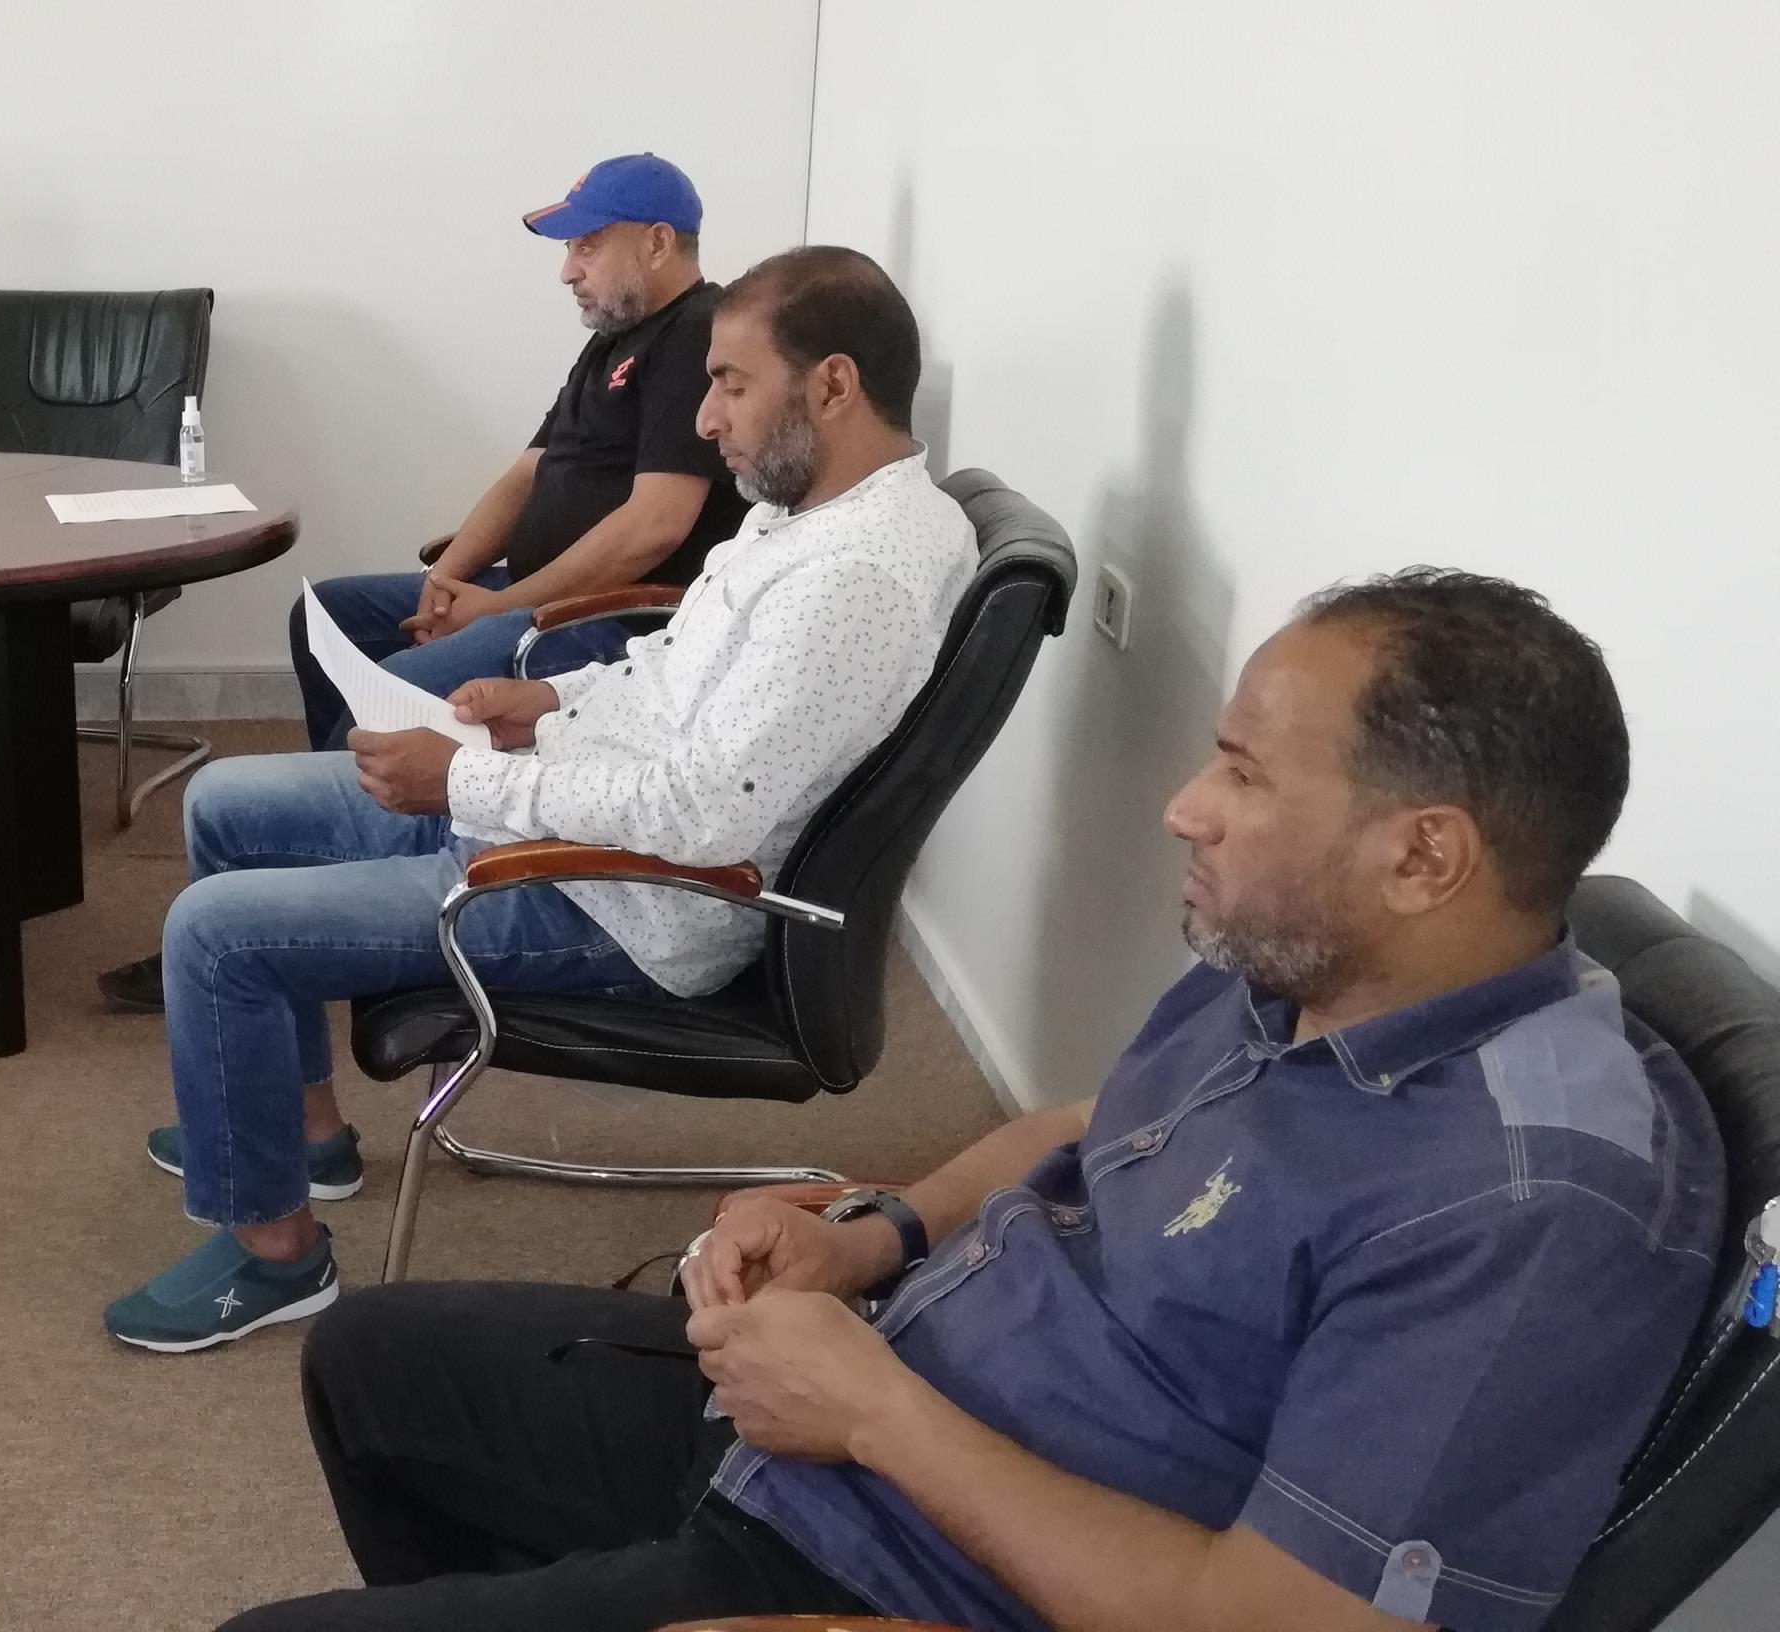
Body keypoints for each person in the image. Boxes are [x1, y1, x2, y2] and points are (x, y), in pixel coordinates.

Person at [235, 570, 1723, 1632]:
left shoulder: (1531, 1205)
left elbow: (1288, 1620)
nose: (1184, 807)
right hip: (878, 1403)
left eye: (1244, 776)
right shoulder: (1317, 969)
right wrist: (871, 1237)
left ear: (1424, 857)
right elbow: (1086, 1128)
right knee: (370, 1362)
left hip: (919, 1572)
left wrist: (872, 1414)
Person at [102, 248, 972, 1353]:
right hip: (577, 809)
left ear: (834, 384)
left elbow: (703, 816)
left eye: (732, 385)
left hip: (625, 898)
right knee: (226, 804)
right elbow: (670, 672)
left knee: (215, 933)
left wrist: (463, 776)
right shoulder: (807, 511)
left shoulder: (854, 579)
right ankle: (300, 1137)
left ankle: (275, 1259)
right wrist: (547, 699)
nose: (706, 419)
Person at [281, 153, 750, 757]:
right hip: (530, 593)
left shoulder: (695, 336)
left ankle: (336, 795)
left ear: (657, 243)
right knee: (321, 615)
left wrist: (497, 608)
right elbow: (527, 474)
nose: (567, 272)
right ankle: (336, 784)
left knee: (389, 694)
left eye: (587, 247)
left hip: (605, 619)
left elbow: (654, 527)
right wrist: (445, 581)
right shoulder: (613, 340)